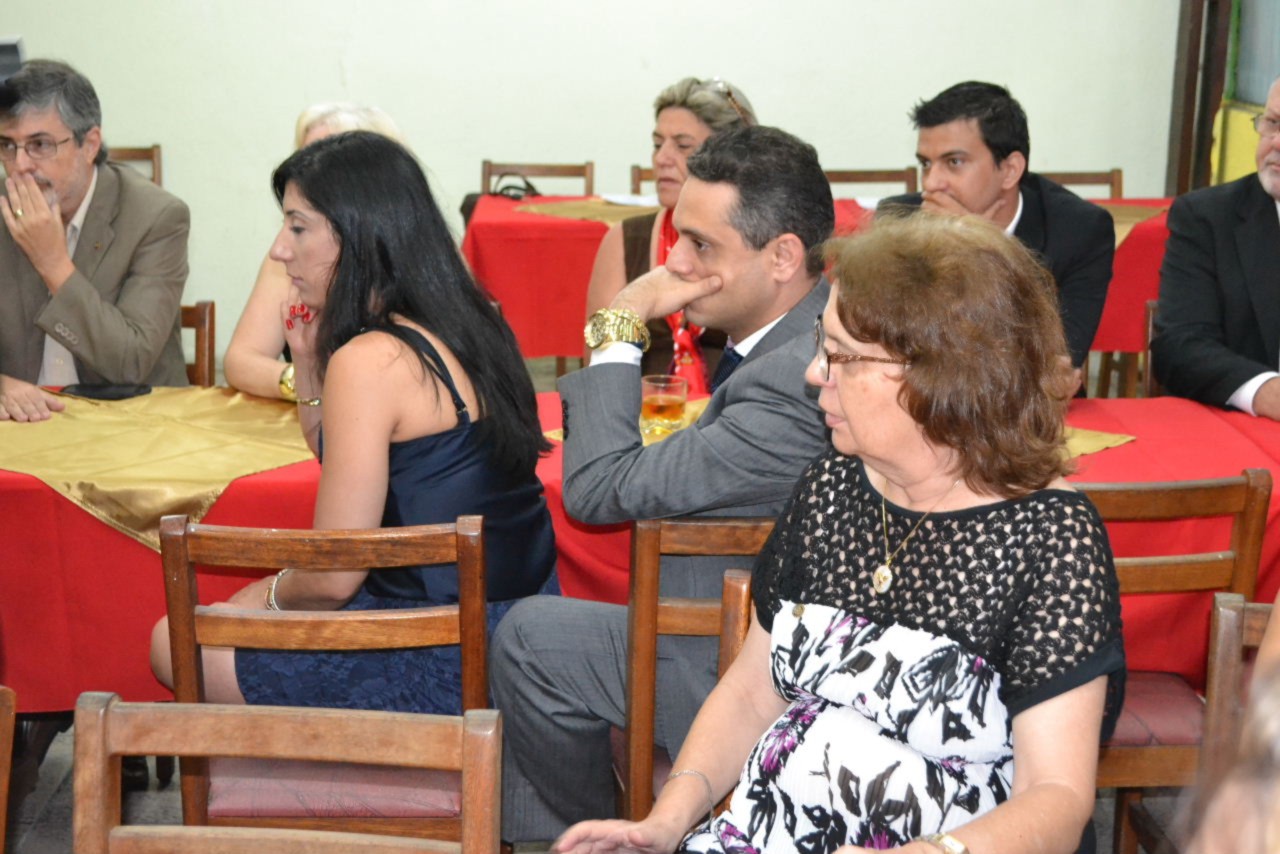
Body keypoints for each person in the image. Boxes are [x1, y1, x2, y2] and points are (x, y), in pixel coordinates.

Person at [555, 214, 1126, 854]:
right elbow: (752, 691)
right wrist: (667, 821)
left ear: (938, 374)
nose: (813, 373)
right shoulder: (833, 486)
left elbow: (1057, 797)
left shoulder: (1050, 537)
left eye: (840, 355)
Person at [492, 125, 834, 843]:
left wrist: (619, 323)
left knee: (528, 636)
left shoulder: (793, 380)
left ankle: (585, 835)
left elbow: (595, 489)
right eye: (679, 237)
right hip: (738, 623)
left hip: (743, 667)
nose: (675, 263)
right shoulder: (799, 332)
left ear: (783, 256)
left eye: (701, 245)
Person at [150, 131, 555, 715]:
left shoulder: (371, 359)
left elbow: (335, 578)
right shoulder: (474, 319)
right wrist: (308, 365)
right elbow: (348, 461)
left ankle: (344, 759)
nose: (279, 250)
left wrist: (265, 595)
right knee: (221, 632)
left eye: (297, 227)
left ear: (356, 234)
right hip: (524, 629)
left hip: (441, 650)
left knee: (174, 640)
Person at [0, 58, 190, 422]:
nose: (19, 165)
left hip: (134, 425)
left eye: (40, 144)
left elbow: (131, 363)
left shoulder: (157, 217)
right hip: (23, 429)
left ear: (89, 145)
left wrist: (53, 263)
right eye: (7, 145)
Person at [879, 81, 1114, 372]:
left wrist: (981, 249)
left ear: (1010, 170)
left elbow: (1055, 362)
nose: (931, 183)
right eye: (926, 164)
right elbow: (890, 350)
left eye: (954, 162)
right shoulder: (900, 220)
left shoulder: (1078, 230)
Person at [223, 103, 405, 399]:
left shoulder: (421, 257)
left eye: (328, 161)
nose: (310, 174)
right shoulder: (288, 256)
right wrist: (305, 383)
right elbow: (241, 361)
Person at [583, 77, 756, 385]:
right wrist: (632, 305)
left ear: (730, 156)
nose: (662, 158)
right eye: (657, 144)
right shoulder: (625, 241)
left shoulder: (758, 243)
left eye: (682, 145)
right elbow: (596, 372)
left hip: (739, 409)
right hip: (644, 411)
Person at [1151, 76, 1280, 418]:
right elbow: (1180, 347)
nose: (1276, 142)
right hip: (1248, 430)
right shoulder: (1208, 217)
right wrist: (1265, 391)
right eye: (1272, 123)